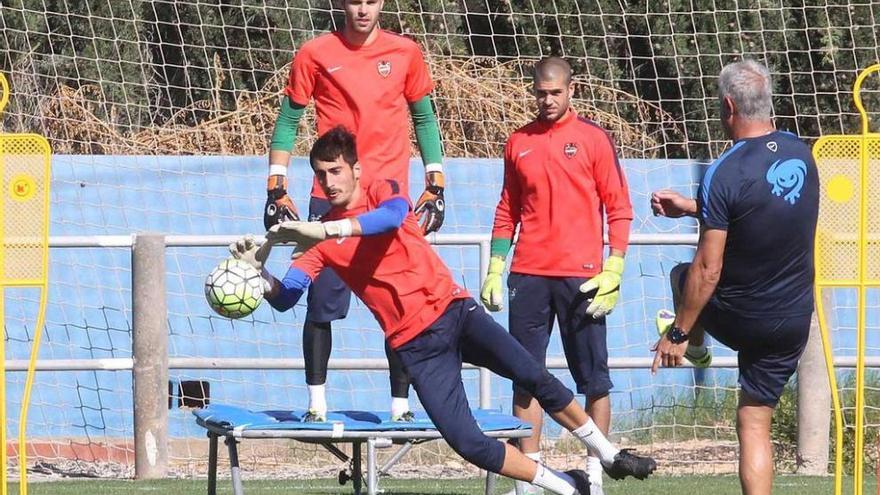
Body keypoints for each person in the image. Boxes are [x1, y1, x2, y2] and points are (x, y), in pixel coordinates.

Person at [232, 126, 656, 495]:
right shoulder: (319, 237)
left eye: (336, 170)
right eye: (321, 174)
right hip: (416, 347)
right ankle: (566, 486)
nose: (328, 181)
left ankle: (609, 454)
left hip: (455, 312)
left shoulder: (380, 191)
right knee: (466, 441)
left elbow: (392, 216)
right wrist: (258, 272)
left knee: (532, 375)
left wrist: (328, 227)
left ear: (356, 169)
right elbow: (288, 295)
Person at [263, 0, 446, 422]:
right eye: (354, 1)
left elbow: (424, 117)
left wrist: (435, 181)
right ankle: (316, 406)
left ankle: (400, 409)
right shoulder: (314, 53)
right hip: (331, 195)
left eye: (371, 0)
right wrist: (276, 185)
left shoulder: (406, 53)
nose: (362, 9)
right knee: (318, 302)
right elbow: (289, 118)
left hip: (389, 203)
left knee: (400, 305)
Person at [650, 60, 819, 495]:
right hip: (795, 319)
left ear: (728, 106)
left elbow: (710, 269)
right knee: (754, 420)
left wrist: (679, 330)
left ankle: (699, 347)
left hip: (745, 316)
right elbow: (762, 205)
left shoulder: (723, 171)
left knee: (683, 273)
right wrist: (693, 207)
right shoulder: (802, 152)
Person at [480, 57, 633, 495]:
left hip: (582, 278)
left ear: (571, 90)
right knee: (524, 375)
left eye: (555, 92)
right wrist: (495, 266)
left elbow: (618, 208)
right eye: (540, 93)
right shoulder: (518, 142)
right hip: (527, 275)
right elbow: (507, 209)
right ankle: (529, 476)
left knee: (594, 379)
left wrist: (615, 266)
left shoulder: (594, 140)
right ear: (533, 91)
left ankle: (594, 474)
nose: (547, 100)